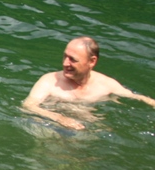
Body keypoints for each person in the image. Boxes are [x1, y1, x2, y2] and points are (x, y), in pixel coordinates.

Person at [22, 36, 155, 130]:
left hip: (84, 126)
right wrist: (59, 118)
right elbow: (28, 105)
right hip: (50, 124)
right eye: (65, 56)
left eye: (73, 59)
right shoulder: (50, 81)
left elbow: (133, 96)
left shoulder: (106, 84)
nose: (65, 63)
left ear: (92, 61)